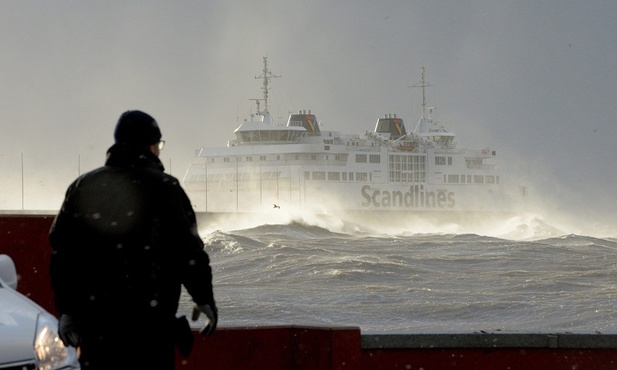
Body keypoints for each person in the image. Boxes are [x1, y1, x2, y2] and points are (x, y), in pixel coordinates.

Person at [49, 110, 217, 370]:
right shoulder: (166, 188)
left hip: (97, 331)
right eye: (159, 145)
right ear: (151, 146)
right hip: (151, 332)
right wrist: (203, 298)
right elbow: (189, 252)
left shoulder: (84, 186)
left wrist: (67, 311)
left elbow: (63, 255)